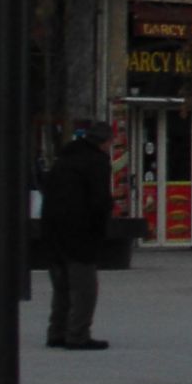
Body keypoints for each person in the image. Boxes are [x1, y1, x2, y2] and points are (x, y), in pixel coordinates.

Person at [41, 121, 115, 350]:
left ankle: (57, 332)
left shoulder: (64, 159)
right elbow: (99, 200)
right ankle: (77, 334)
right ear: (104, 143)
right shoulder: (97, 162)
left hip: (53, 228)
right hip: (81, 231)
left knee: (61, 285)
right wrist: (102, 224)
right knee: (84, 288)